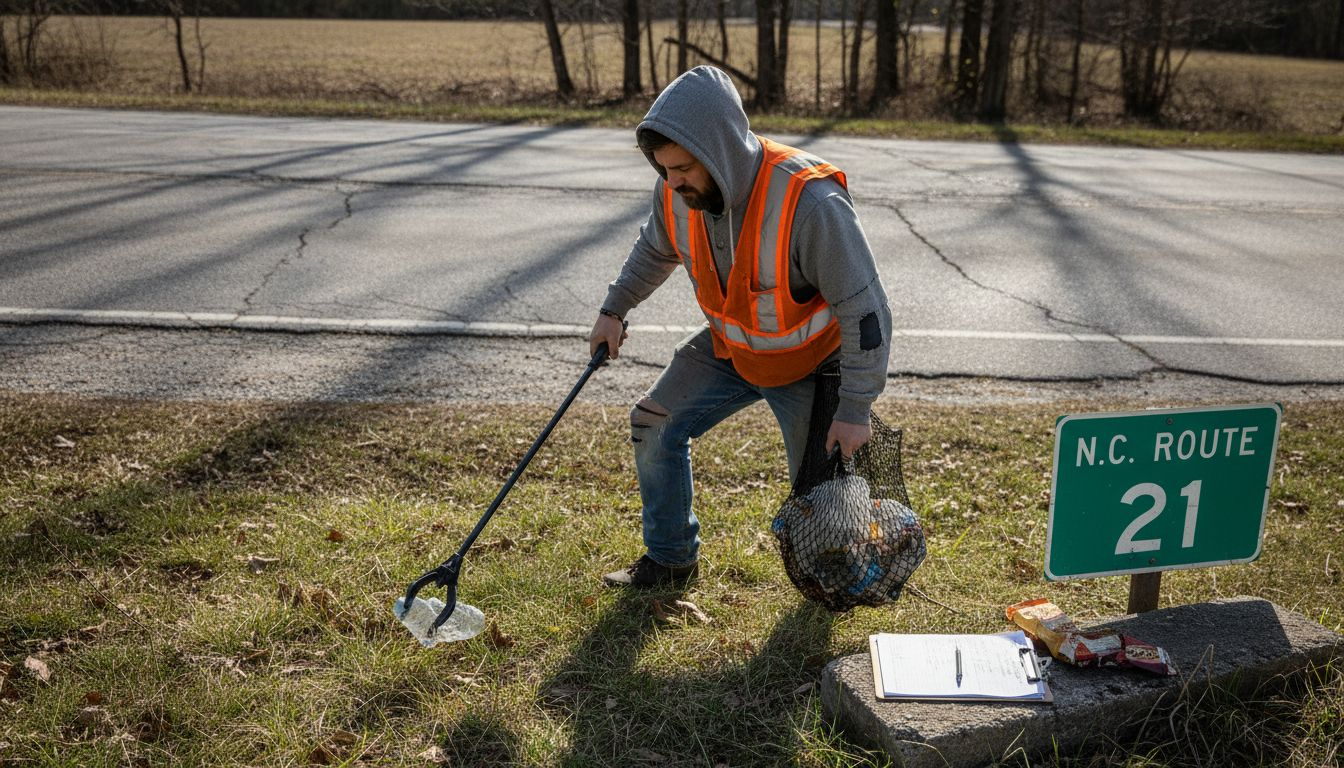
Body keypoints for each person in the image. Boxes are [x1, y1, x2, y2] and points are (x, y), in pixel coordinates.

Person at [590, 65, 892, 588]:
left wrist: (855, 407)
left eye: (683, 167)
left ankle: (838, 571)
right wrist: (613, 310)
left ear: (721, 151)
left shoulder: (810, 202)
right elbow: (654, 250)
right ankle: (670, 560)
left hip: (810, 364)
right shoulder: (676, 191)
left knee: (824, 502)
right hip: (730, 350)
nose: (673, 180)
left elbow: (866, 311)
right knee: (653, 424)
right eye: (664, 168)